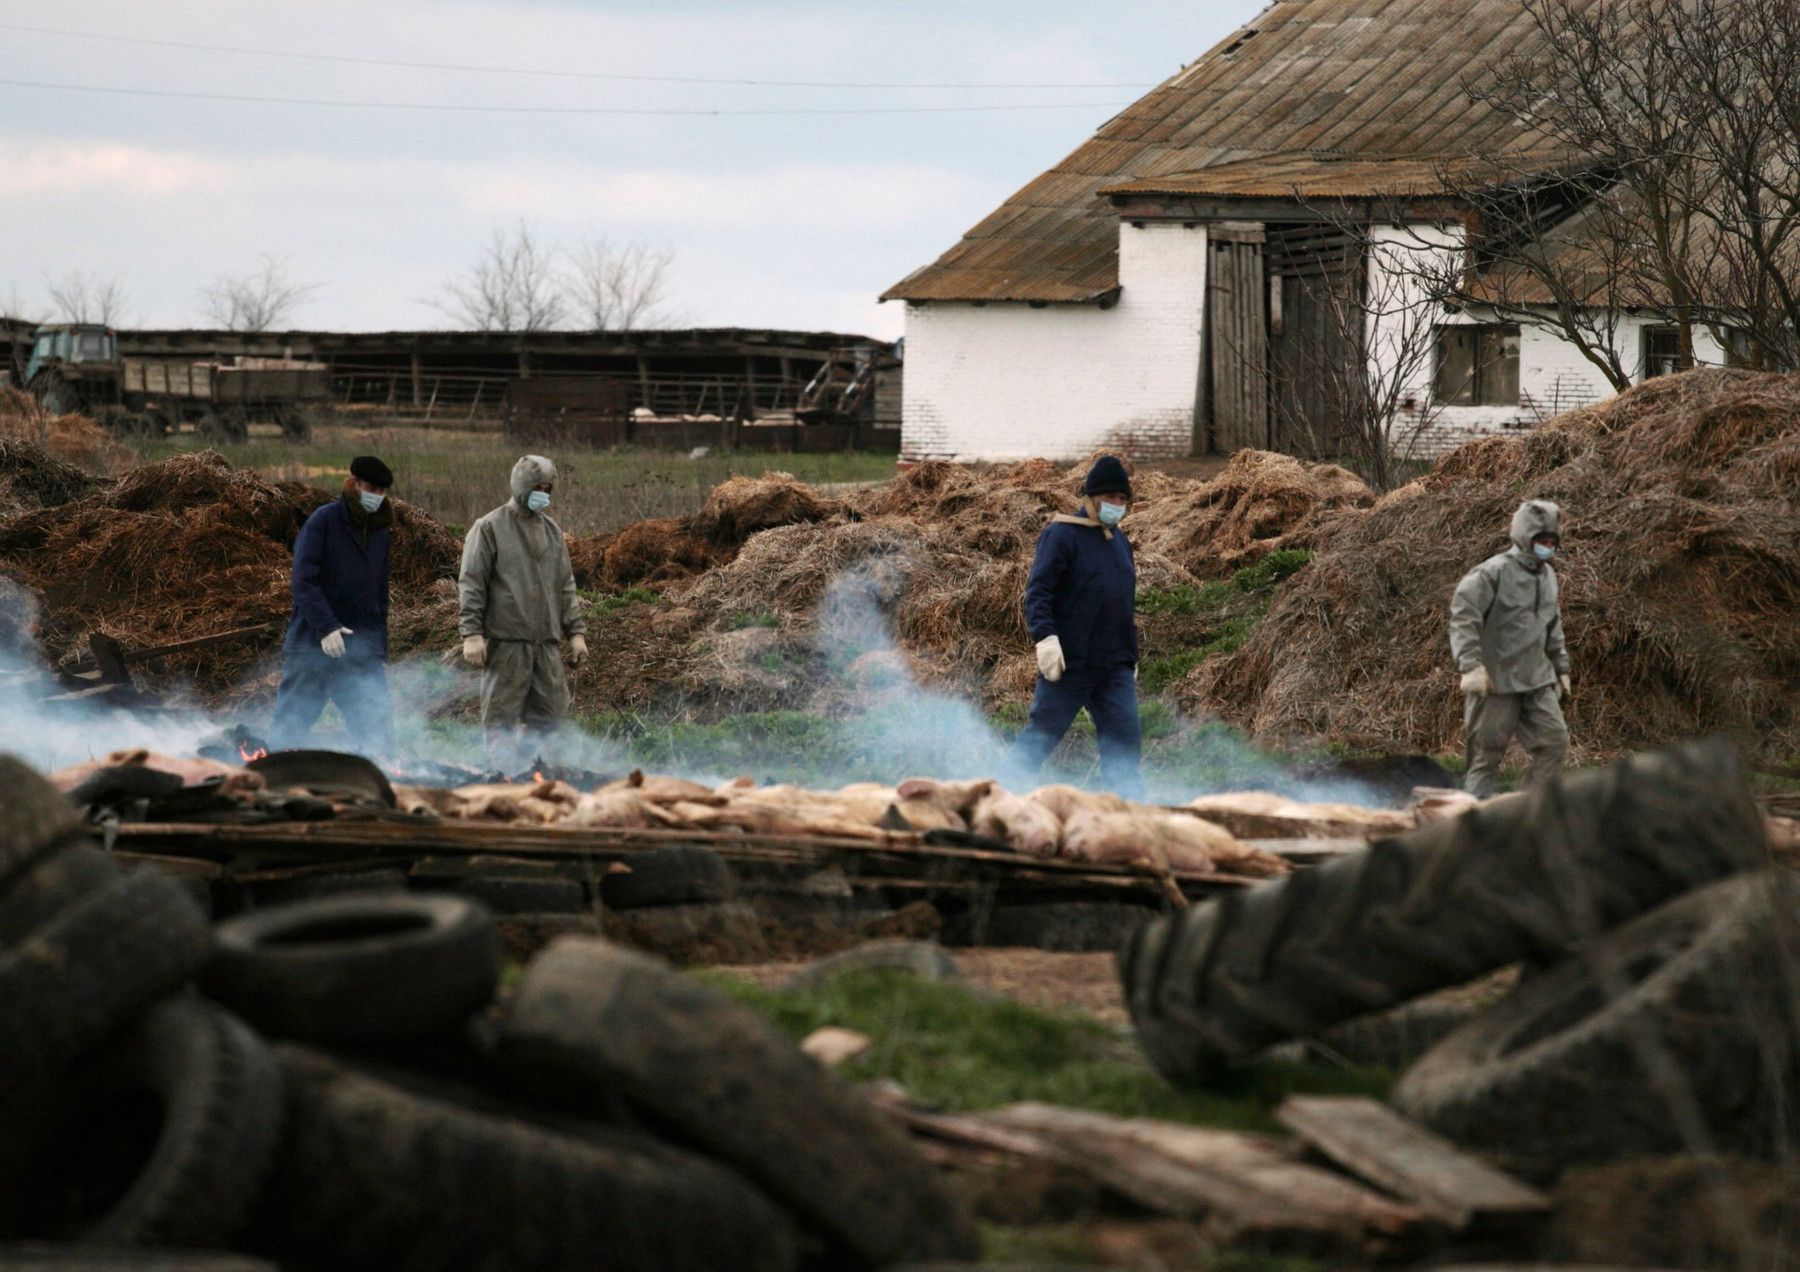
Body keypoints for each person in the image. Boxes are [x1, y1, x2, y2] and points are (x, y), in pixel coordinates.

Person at [1005, 455, 1144, 799]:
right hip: (1070, 661)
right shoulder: (1062, 534)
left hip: (1114, 665)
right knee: (1043, 733)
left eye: (1122, 498)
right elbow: (1039, 591)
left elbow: (1122, 602)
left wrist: (1129, 654)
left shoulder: (1120, 542)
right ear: (1091, 497)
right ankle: (1000, 795)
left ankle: (1127, 807)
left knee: (1125, 740)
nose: (1117, 504)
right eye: (1110, 497)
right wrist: (1045, 638)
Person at [457, 454, 587, 766]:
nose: (542, 493)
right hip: (507, 645)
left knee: (554, 720)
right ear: (521, 485)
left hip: (546, 645)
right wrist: (471, 633)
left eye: (547, 488)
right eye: (536, 487)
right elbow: (472, 582)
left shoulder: (552, 532)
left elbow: (565, 585)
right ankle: (503, 776)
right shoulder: (489, 527)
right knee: (501, 720)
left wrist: (576, 631)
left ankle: (549, 777)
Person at [268, 455, 397, 757]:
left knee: (377, 731)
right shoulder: (323, 522)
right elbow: (304, 581)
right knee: (289, 729)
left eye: (382, 491)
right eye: (371, 489)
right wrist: (327, 627)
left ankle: (380, 775)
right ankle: (274, 774)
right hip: (314, 647)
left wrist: (378, 648)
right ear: (353, 483)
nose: (377, 496)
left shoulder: (380, 533)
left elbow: (378, 595)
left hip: (360, 652)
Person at [1449, 498, 1572, 798]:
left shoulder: (1548, 576)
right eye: (1541, 541)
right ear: (1524, 537)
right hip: (1496, 682)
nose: (1547, 547)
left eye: (1551, 542)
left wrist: (1561, 667)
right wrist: (1470, 665)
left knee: (1554, 744)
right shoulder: (1491, 573)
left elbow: (1552, 624)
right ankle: (1473, 815)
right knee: (1485, 758)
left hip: (1536, 680)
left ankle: (1530, 809)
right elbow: (1464, 617)